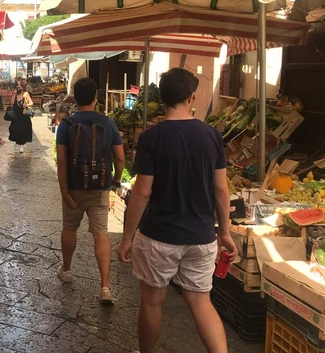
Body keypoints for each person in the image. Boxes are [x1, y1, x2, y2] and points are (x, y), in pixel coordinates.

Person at [116, 68, 238, 353]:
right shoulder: (212, 135)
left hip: (159, 236)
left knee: (151, 301)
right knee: (200, 301)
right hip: (202, 236)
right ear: (191, 97)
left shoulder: (152, 138)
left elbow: (142, 191)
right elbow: (221, 189)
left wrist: (127, 237)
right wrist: (226, 232)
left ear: (161, 97)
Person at [55, 77, 125, 305]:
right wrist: (114, 179)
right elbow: (121, 158)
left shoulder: (66, 125)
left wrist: (64, 191)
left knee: (69, 228)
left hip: (74, 188)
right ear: (96, 98)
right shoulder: (108, 123)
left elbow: (62, 162)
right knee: (101, 233)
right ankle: (105, 286)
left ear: (75, 98)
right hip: (100, 188)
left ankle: (66, 270)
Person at [8, 80, 33, 153]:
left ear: (23, 87)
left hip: (24, 115)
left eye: (20, 86)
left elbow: (31, 103)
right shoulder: (15, 94)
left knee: (23, 130)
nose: (18, 87)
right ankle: (17, 142)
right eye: (17, 86)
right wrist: (13, 94)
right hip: (16, 115)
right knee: (14, 129)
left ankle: (21, 144)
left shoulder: (26, 94)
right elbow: (11, 104)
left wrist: (27, 105)